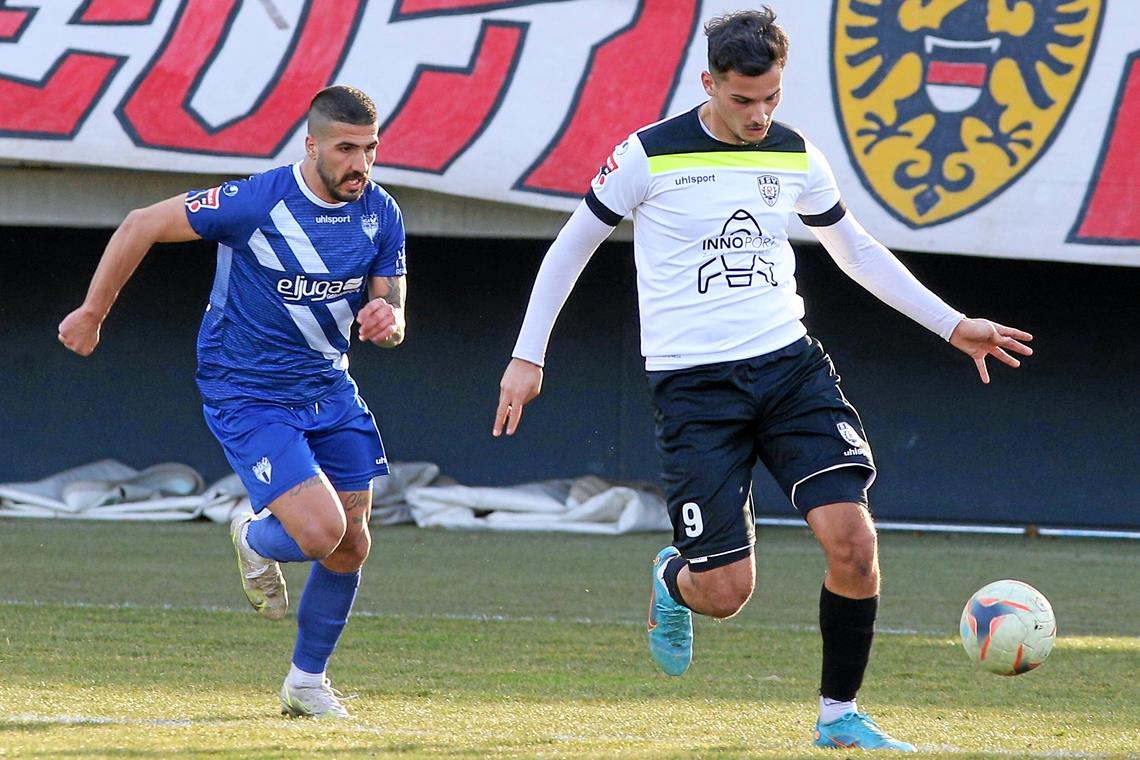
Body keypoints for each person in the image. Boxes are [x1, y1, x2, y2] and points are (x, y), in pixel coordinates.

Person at [493, 8, 1032, 752]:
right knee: (725, 595)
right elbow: (569, 250)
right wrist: (529, 357)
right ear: (709, 82)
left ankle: (839, 717)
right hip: (695, 391)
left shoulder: (796, 154)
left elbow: (857, 251)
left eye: (771, 98)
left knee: (853, 542)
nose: (759, 115)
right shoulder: (648, 156)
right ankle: (674, 581)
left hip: (790, 369)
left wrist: (950, 322)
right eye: (744, 100)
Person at [58, 85, 407, 719]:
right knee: (322, 532)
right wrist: (92, 312)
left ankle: (305, 683)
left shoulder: (381, 213)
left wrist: (388, 318)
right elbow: (141, 224)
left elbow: (392, 307)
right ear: (312, 146)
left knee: (353, 544)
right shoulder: (255, 200)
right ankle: (252, 533)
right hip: (248, 391)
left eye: (371, 149)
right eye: (346, 148)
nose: (361, 163)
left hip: (329, 387)